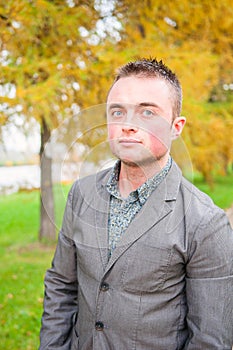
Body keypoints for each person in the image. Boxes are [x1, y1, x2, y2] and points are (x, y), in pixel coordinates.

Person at [39, 58, 233, 350]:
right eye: (118, 111)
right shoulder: (81, 193)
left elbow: (210, 339)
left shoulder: (206, 222)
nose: (128, 125)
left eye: (147, 112)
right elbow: (62, 286)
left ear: (176, 126)